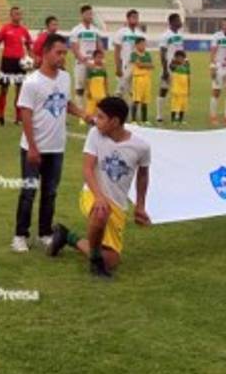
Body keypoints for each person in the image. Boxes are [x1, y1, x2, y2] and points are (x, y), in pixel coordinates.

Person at [46, 96, 151, 278]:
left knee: (111, 261)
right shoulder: (95, 134)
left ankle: (66, 236)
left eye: (101, 117)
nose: (96, 120)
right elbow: (87, 169)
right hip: (92, 193)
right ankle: (95, 263)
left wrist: (140, 206)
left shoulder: (141, 147)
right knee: (101, 211)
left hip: (118, 205)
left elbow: (143, 176)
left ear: (115, 121)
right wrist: (99, 196)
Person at [11, 33, 91, 253]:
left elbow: (65, 103)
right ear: (45, 53)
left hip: (57, 147)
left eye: (64, 53)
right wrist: (33, 147)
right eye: (58, 52)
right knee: (28, 193)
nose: (62, 57)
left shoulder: (64, 78)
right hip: (34, 148)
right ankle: (20, 235)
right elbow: (25, 115)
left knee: (50, 192)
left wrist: (82, 113)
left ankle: (45, 232)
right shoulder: (32, 82)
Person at [0, 6, 32, 126]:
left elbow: (29, 48)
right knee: (4, 89)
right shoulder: (5, 29)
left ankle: (18, 116)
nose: (18, 16)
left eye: (19, 14)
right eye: (15, 14)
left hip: (20, 63)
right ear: (11, 15)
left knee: (20, 91)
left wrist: (30, 62)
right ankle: (0, 115)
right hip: (7, 62)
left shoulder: (24, 31)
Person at [70, 4, 104, 102]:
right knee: (80, 88)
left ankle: (91, 110)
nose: (90, 16)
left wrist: (101, 59)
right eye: (88, 14)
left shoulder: (95, 30)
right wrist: (83, 60)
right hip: (81, 62)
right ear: (82, 15)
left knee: (94, 86)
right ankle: (80, 112)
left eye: (91, 14)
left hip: (93, 62)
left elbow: (99, 45)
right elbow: (74, 48)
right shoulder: (76, 30)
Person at [158, 13, 185, 123]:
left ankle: (177, 114)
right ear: (172, 22)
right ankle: (159, 115)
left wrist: (184, 63)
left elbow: (181, 52)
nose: (180, 22)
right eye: (178, 20)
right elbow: (162, 53)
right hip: (169, 67)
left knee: (178, 92)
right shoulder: (165, 36)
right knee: (163, 90)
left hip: (179, 68)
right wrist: (165, 70)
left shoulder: (180, 35)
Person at [113, 9, 145, 99]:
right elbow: (117, 51)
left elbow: (142, 51)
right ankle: (115, 111)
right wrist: (118, 67)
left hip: (136, 65)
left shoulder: (140, 34)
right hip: (125, 64)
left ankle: (132, 112)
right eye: (133, 17)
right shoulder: (121, 32)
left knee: (133, 92)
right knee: (120, 91)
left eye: (137, 17)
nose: (136, 19)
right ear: (127, 18)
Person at [129, 36, 154, 124]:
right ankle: (133, 119)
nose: (143, 46)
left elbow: (152, 65)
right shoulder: (134, 54)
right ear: (136, 45)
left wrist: (144, 64)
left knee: (145, 100)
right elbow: (138, 65)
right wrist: (146, 65)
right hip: (138, 78)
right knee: (136, 99)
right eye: (141, 44)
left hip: (147, 79)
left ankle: (144, 119)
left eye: (144, 44)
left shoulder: (147, 54)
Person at [84, 47, 109, 118]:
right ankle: (88, 119)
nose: (100, 59)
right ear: (93, 58)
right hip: (93, 93)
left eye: (101, 58)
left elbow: (106, 81)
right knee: (90, 109)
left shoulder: (103, 69)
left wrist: (107, 91)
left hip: (102, 93)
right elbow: (87, 81)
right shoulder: (91, 69)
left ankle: (99, 119)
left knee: (101, 109)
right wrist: (88, 91)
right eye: (98, 57)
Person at [168, 50, 190, 125]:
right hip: (176, 89)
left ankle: (181, 119)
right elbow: (171, 66)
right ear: (176, 58)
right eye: (179, 57)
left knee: (183, 105)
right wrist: (176, 61)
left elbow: (188, 77)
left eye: (182, 58)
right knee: (175, 105)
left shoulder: (186, 66)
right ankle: (173, 119)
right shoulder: (174, 66)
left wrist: (189, 88)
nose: (181, 59)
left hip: (184, 89)